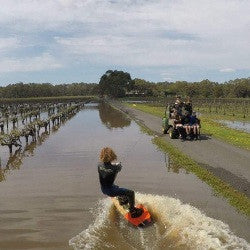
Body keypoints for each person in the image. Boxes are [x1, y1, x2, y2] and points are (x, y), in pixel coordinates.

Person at [98, 147, 143, 218]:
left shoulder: (99, 165)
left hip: (103, 189)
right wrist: (118, 166)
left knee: (116, 187)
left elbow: (107, 169)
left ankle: (122, 199)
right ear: (112, 155)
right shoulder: (115, 168)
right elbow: (117, 169)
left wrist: (115, 166)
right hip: (111, 191)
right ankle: (132, 210)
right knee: (131, 193)